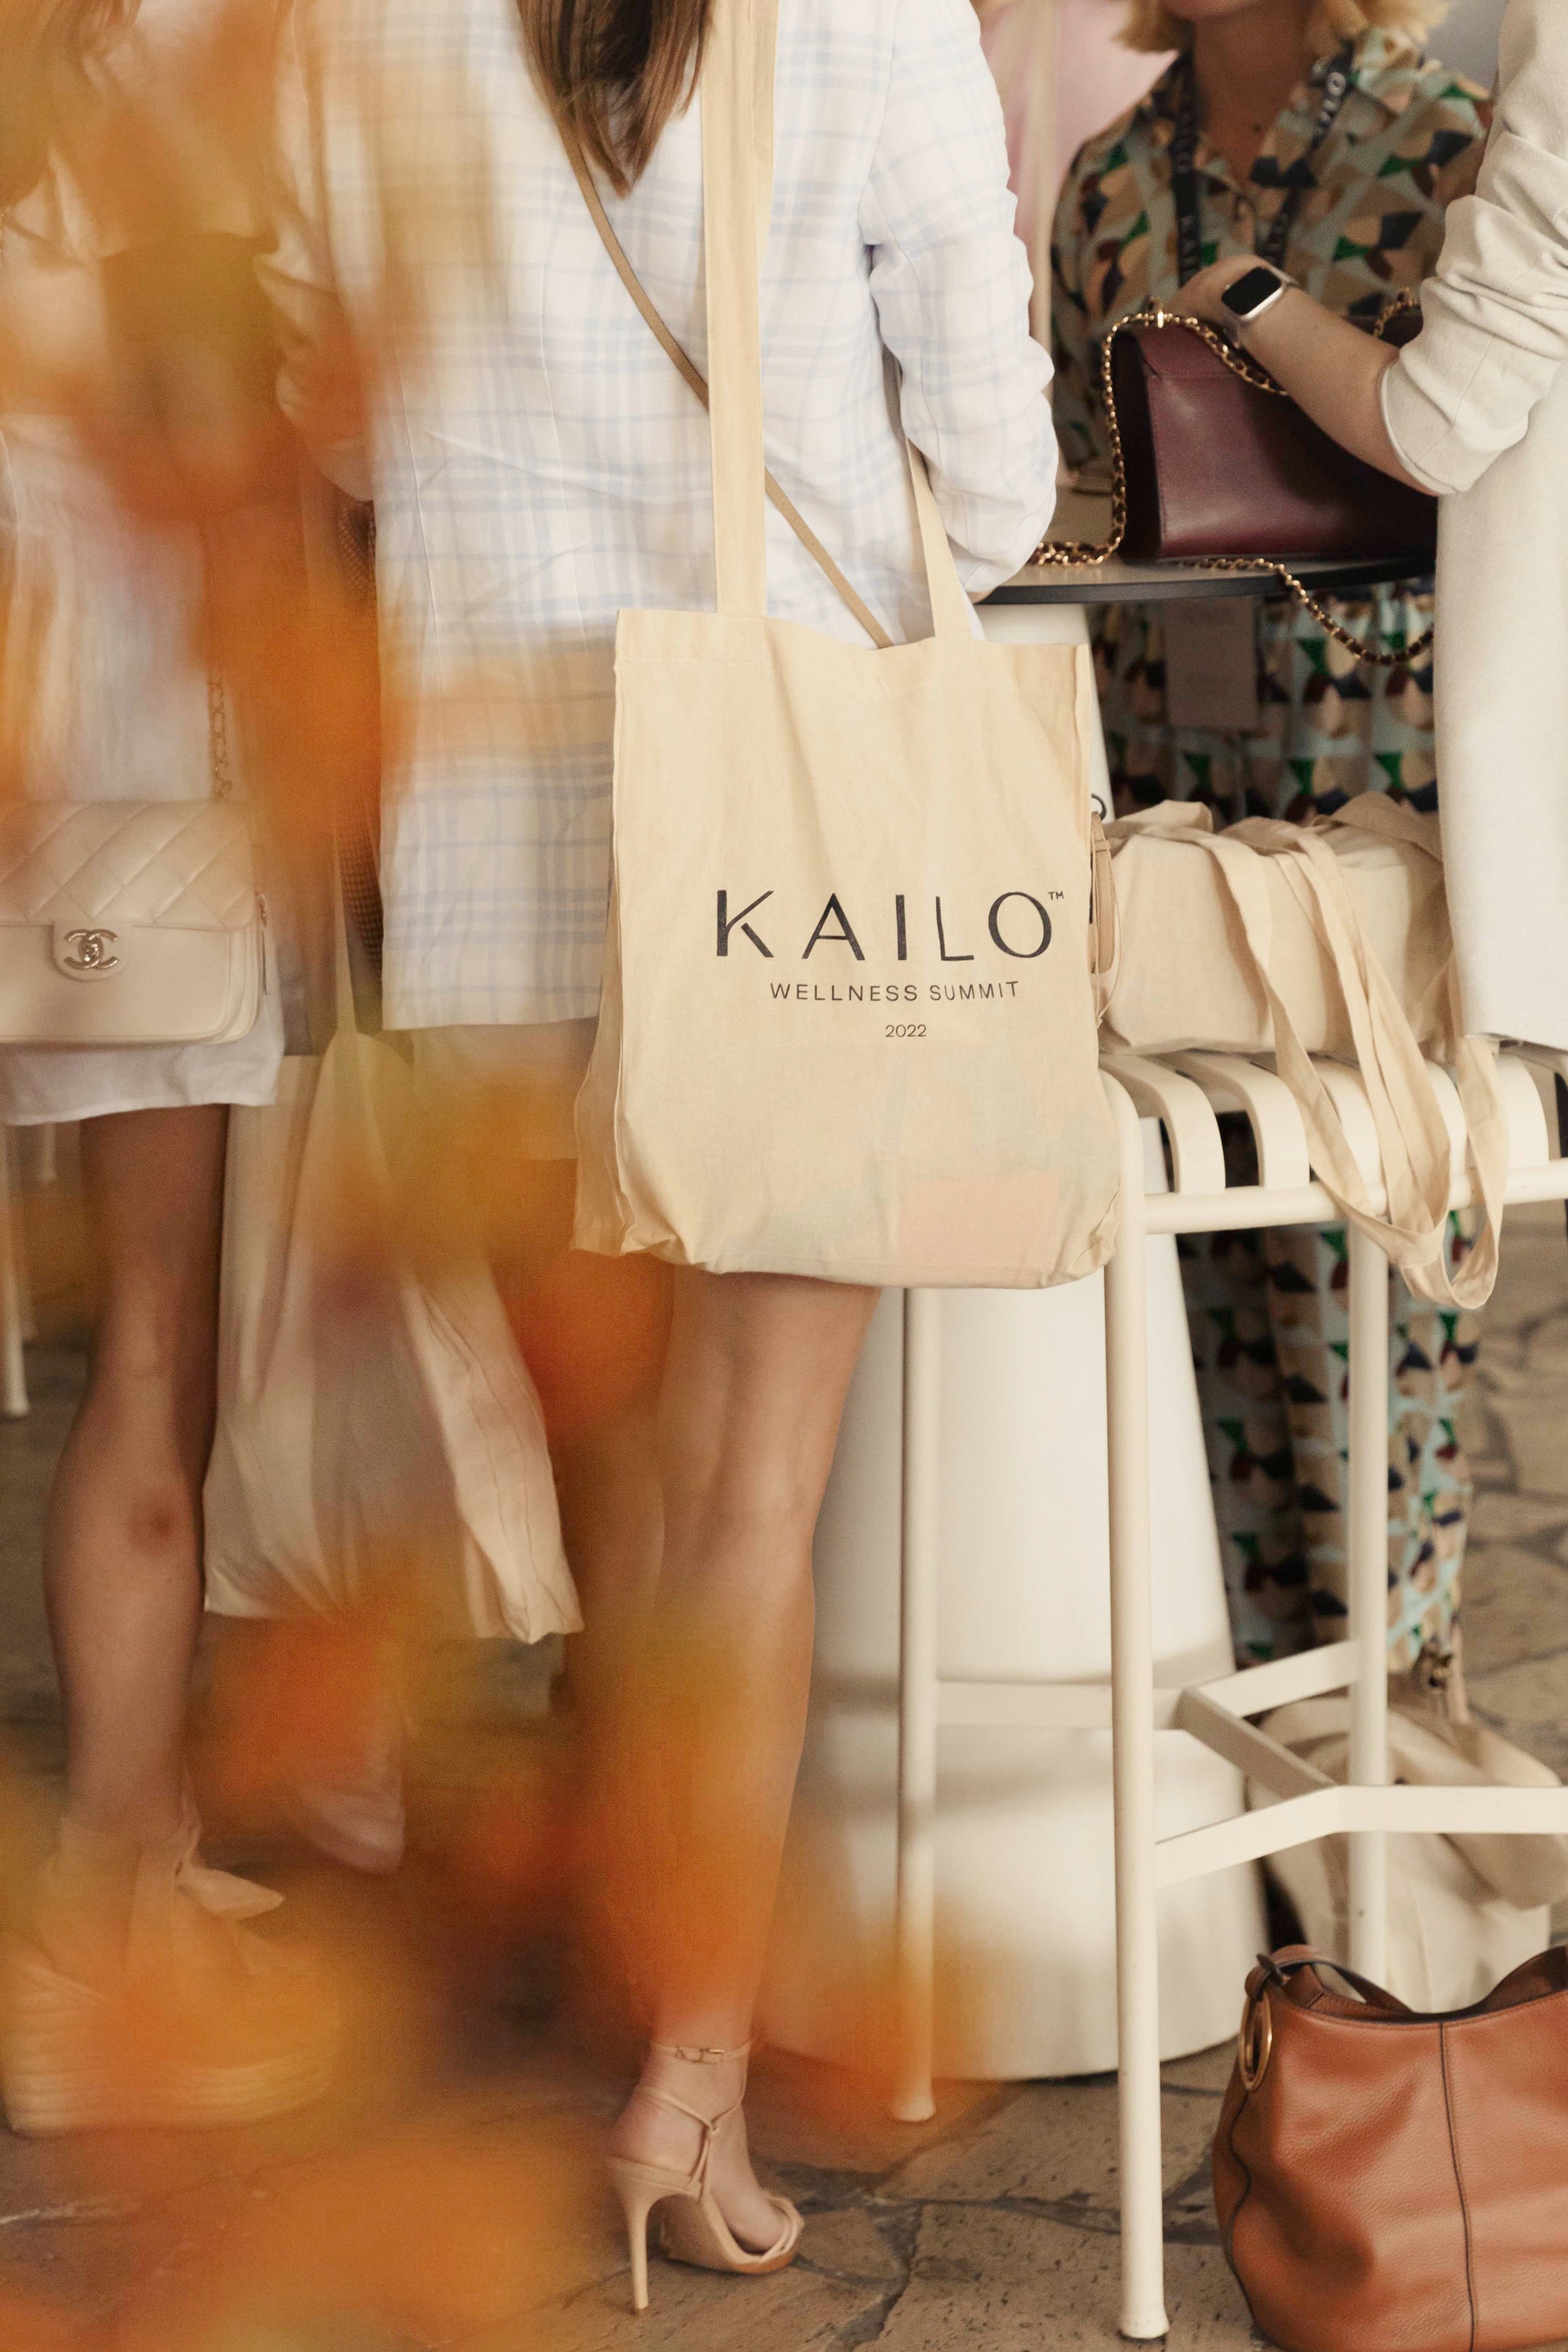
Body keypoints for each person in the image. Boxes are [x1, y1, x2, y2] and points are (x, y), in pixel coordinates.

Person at [260, 0, 1054, 2302]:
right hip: (788, 837)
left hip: (489, 810)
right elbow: (994, 477)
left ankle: (628, 1981)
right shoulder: (877, 16)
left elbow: (329, 403)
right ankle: (684, 2079)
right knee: (744, 1512)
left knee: (615, 1481)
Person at [1050, 0, 1493, 1669]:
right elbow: (1070, 463)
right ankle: (1245, 1726)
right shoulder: (1109, 174)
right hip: (1164, 768)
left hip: (1380, 779)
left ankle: (1394, 1690)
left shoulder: (1447, 144)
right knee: (1186, 1237)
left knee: (1381, 1236)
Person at [0, 0, 332, 2131]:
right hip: (125, 787)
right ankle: (94, 1938)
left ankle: (147, 1841)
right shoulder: (153, 91)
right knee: (152, 1351)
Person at [1179, 0, 1568, 1060]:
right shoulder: (1107, 167)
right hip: (1171, 684)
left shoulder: (1435, 109)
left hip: (1385, 694)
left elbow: (1438, 420)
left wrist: (1252, 298)